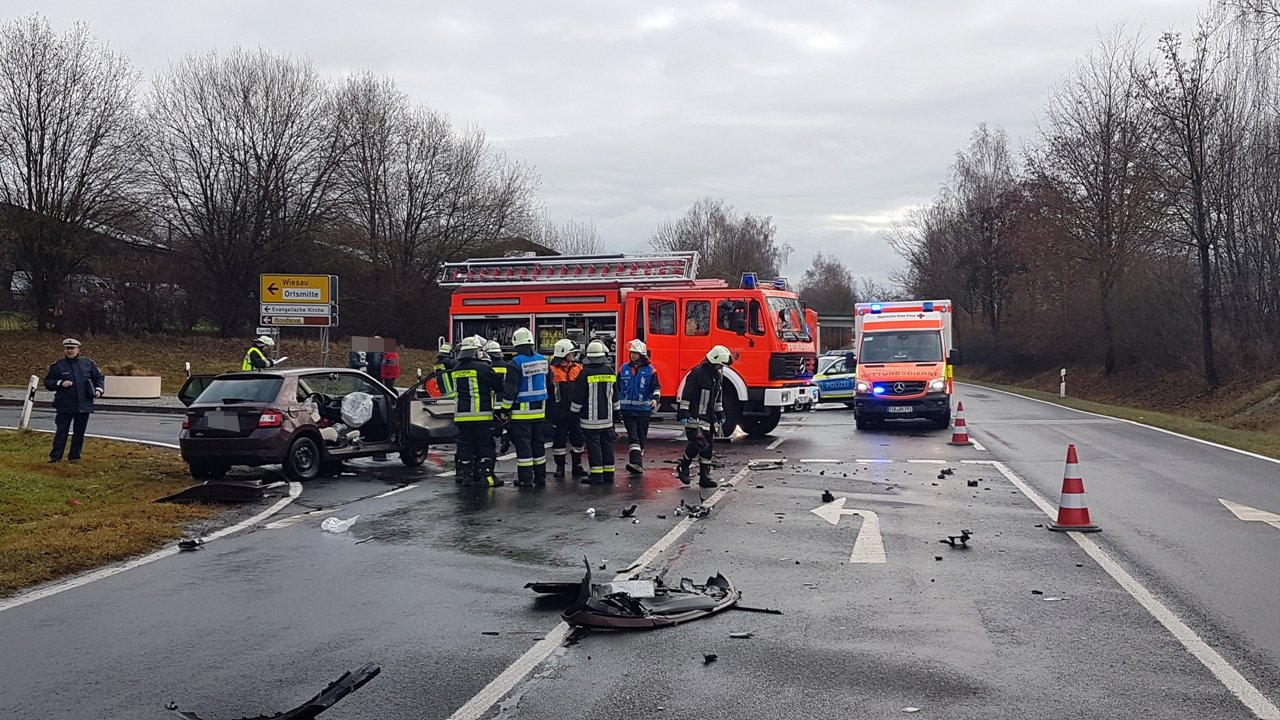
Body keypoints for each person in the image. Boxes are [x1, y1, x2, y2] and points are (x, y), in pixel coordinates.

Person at [449, 335, 505, 487]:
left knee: (465, 446)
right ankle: (487, 478)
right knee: (485, 446)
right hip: (481, 415)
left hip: (461, 416)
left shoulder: (456, 369)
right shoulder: (483, 368)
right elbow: (499, 386)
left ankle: (467, 477)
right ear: (475, 351)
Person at [676, 345, 732, 488]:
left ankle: (705, 477)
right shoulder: (697, 373)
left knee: (708, 448)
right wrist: (684, 413)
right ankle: (684, 466)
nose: (720, 368)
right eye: (719, 365)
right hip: (694, 418)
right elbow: (686, 394)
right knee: (699, 444)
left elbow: (717, 398)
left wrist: (720, 413)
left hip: (708, 419)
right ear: (713, 361)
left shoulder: (716, 377)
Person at [43, 338, 105, 464]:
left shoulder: (88, 364)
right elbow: (48, 382)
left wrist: (99, 389)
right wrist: (60, 383)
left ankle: (75, 457)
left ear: (78, 350)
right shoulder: (58, 365)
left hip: (83, 405)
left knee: (79, 433)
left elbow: (98, 378)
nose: (70, 351)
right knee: (61, 433)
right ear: (65, 350)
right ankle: (55, 457)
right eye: (67, 349)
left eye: (72, 348)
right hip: (64, 405)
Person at [502, 327, 550, 486]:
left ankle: (525, 479)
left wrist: (505, 409)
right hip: (540, 412)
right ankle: (540, 477)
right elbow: (549, 384)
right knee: (538, 445)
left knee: (524, 448)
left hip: (522, 414)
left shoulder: (516, 363)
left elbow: (511, 390)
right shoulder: (543, 360)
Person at [571, 340, 620, 484]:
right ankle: (609, 474)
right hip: (607, 419)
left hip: (590, 420)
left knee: (594, 447)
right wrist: (616, 414)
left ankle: (597, 475)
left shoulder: (584, 373)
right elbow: (615, 395)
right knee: (607, 446)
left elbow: (578, 396)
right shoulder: (610, 371)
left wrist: (574, 414)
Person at [618, 339, 660, 475]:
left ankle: (637, 459)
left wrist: (655, 399)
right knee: (633, 436)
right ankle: (636, 463)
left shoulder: (651, 371)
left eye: (634, 353)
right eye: (631, 353)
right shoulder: (623, 368)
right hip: (627, 410)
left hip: (643, 411)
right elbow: (617, 387)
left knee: (641, 438)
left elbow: (656, 388)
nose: (632, 355)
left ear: (641, 354)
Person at [548, 338, 587, 479]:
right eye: (572, 353)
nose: (573, 356)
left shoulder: (578, 368)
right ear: (563, 353)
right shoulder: (551, 370)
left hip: (576, 412)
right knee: (559, 440)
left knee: (578, 439)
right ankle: (560, 467)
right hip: (560, 412)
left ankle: (577, 466)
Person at [485, 339, 512, 455]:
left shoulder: (487, 367)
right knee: (504, 423)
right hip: (504, 401)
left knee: (491, 427)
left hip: (491, 401)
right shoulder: (508, 365)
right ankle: (505, 436)